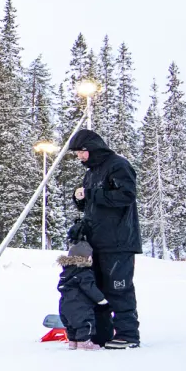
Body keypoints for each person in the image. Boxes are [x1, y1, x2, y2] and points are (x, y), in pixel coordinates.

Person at [71, 129, 141, 349]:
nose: (80, 157)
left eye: (81, 152)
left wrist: (92, 194)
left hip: (118, 242)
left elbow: (127, 195)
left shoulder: (118, 165)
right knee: (97, 289)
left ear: (93, 148)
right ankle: (101, 334)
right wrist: (80, 200)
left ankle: (128, 335)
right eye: (76, 154)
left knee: (118, 289)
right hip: (96, 242)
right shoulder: (91, 172)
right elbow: (94, 205)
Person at [57, 238, 108, 351]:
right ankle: (84, 343)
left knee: (71, 325)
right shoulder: (84, 273)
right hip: (80, 305)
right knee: (85, 323)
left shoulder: (66, 272)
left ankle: (73, 342)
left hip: (65, 304)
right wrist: (101, 299)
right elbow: (89, 287)